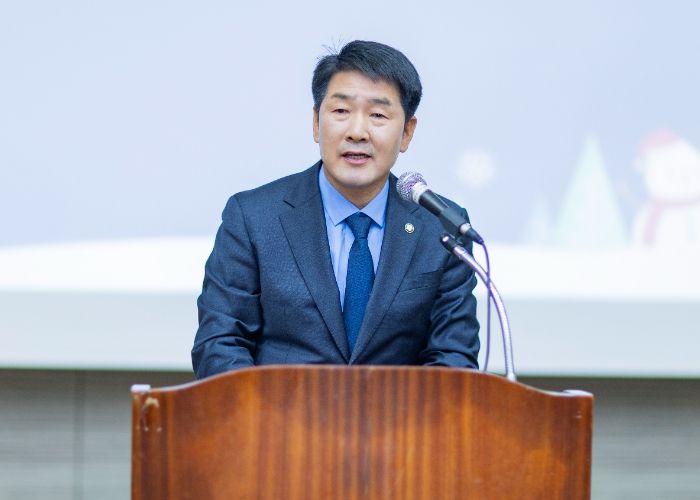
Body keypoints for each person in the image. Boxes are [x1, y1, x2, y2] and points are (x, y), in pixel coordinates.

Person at [192, 40, 479, 379]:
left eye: (378, 115)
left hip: (399, 414)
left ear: (407, 133)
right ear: (316, 122)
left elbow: (453, 359)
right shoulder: (253, 218)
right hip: (278, 412)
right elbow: (220, 343)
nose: (357, 132)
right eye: (341, 111)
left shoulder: (441, 227)